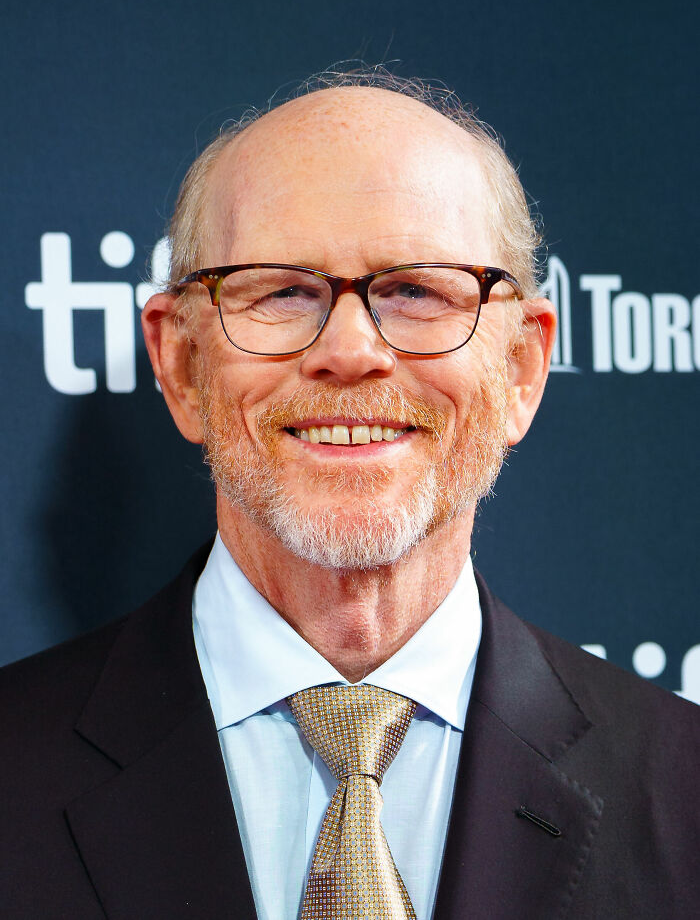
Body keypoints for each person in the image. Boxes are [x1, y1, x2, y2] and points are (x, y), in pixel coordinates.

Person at [2, 69, 698, 920]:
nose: (351, 350)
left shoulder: (685, 788)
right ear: (182, 364)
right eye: (282, 290)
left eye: (416, 289)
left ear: (520, 369)